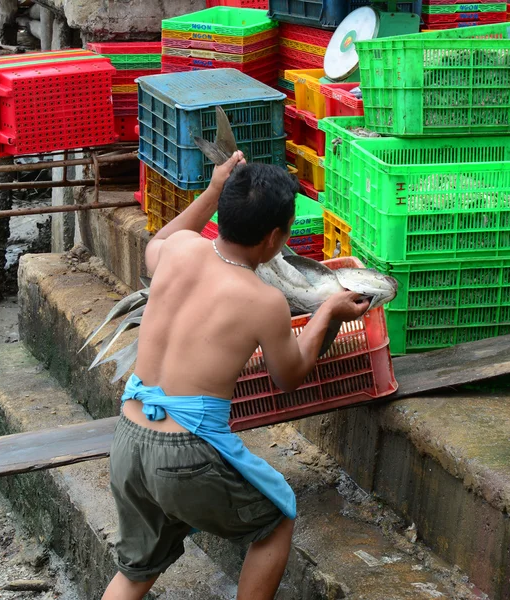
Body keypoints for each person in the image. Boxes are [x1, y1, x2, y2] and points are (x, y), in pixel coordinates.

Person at [102, 152, 370, 600]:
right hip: (185, 449)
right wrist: (329, 313)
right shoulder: (263, 300)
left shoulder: (180, 249)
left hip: (129, 435)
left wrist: (211, 188)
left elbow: (158, 243)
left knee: (137, 569)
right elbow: (288, 376)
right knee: (276, 520)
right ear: (273, 238)